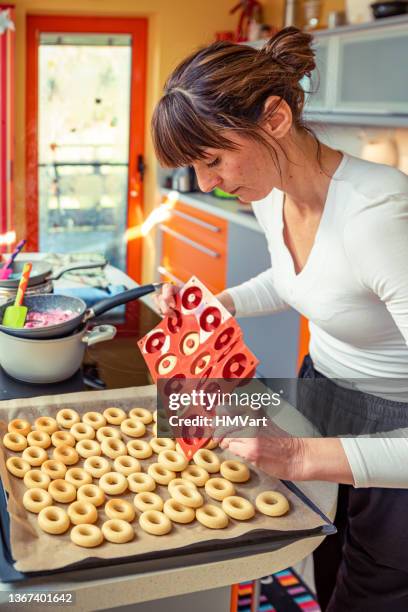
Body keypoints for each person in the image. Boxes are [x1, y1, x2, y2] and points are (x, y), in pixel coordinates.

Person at [151, 27, 408, 611]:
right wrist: (222, 303)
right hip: (320, 385)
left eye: (213, 159)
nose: (206, 184)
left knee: (373, 587)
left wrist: (296, 456)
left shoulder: (381, 216)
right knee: (323, 542)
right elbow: (301, 280)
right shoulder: (269, 193)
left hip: (397, 422)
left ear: (273, 119)